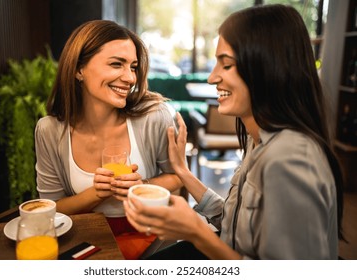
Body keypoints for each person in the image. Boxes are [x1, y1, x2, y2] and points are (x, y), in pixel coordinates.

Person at [124, 4, 344, 260]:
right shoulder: (258, 139)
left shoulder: (290, 158)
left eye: (226, 65)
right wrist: (182, 171)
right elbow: (233, 222)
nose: (212, 78)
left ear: (267, 67)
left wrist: (196, 231)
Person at [34, 20, 183, 259]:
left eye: (133, 67)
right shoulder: (49, 130)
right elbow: (52, 208)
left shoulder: (154, 116)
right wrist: (97, 192)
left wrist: (141, 186)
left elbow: (178, 176)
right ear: (78, 69)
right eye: (116, 64)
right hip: (87, 244)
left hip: (152, 241)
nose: (130, 78)